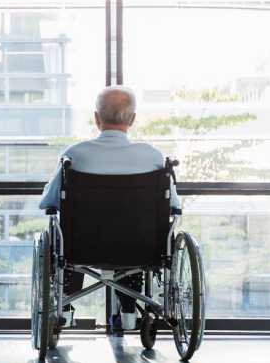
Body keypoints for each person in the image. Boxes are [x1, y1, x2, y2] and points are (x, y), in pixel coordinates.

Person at [39, 85, 180, 331]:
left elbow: (48, 203)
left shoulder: (74, 156)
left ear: (96, 118)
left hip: (82, 248)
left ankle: (64, 307)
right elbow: (175, 207)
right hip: (142, 248)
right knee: (133, 239)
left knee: (62, 236)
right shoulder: (153, 158)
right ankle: (128, 312)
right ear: (133, 119)